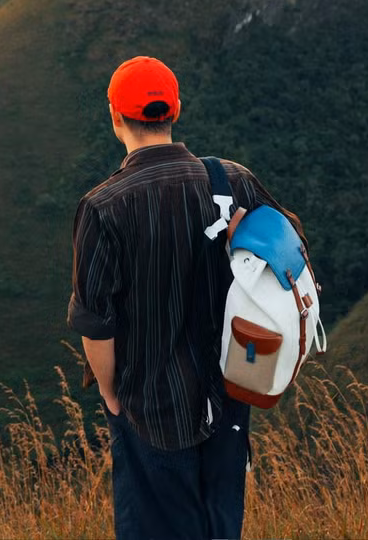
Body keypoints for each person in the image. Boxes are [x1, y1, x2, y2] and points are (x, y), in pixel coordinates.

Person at [67, 55, 292, 540]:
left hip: (148, 408)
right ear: (177, 110)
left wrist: (110, 395)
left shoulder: (103, 207)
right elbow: (289, 253)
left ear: (114, 116)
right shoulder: (233, 183)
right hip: (229, 398)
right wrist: (242, 242)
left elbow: (96, 322)